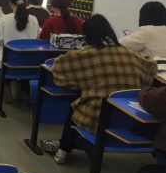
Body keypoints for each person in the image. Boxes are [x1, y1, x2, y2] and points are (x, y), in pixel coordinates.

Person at [41, 15, 157, 165]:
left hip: (96, 118)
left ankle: (62, 151)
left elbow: (58, 68)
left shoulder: (84, 55)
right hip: (129, 119)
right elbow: (150, 69)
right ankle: (63, 147)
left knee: (77, 106)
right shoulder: (132, 54)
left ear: (87, 36)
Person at [0, 0, 39, 69]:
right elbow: (36, 39)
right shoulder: (34, 19)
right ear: (25, 1)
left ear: (10, 2)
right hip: (29, 63)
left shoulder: (4, 19)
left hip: (7, 63)